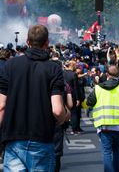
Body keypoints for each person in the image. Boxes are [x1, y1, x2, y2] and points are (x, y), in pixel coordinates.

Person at [0, 24, 70, 172]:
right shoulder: (53, 68)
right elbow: (57, 110)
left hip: (13, 139)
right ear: (47, 42)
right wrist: (65, 117)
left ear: (27, 42)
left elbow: (1, 105)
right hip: (41, 139)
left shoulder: (10, 65)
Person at [86, 65, 119, 172]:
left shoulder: (98, 88)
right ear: (118, 74)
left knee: (107, 152)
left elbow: (89, 102)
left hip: (104, 125)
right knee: (117, 151)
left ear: (107, 74)